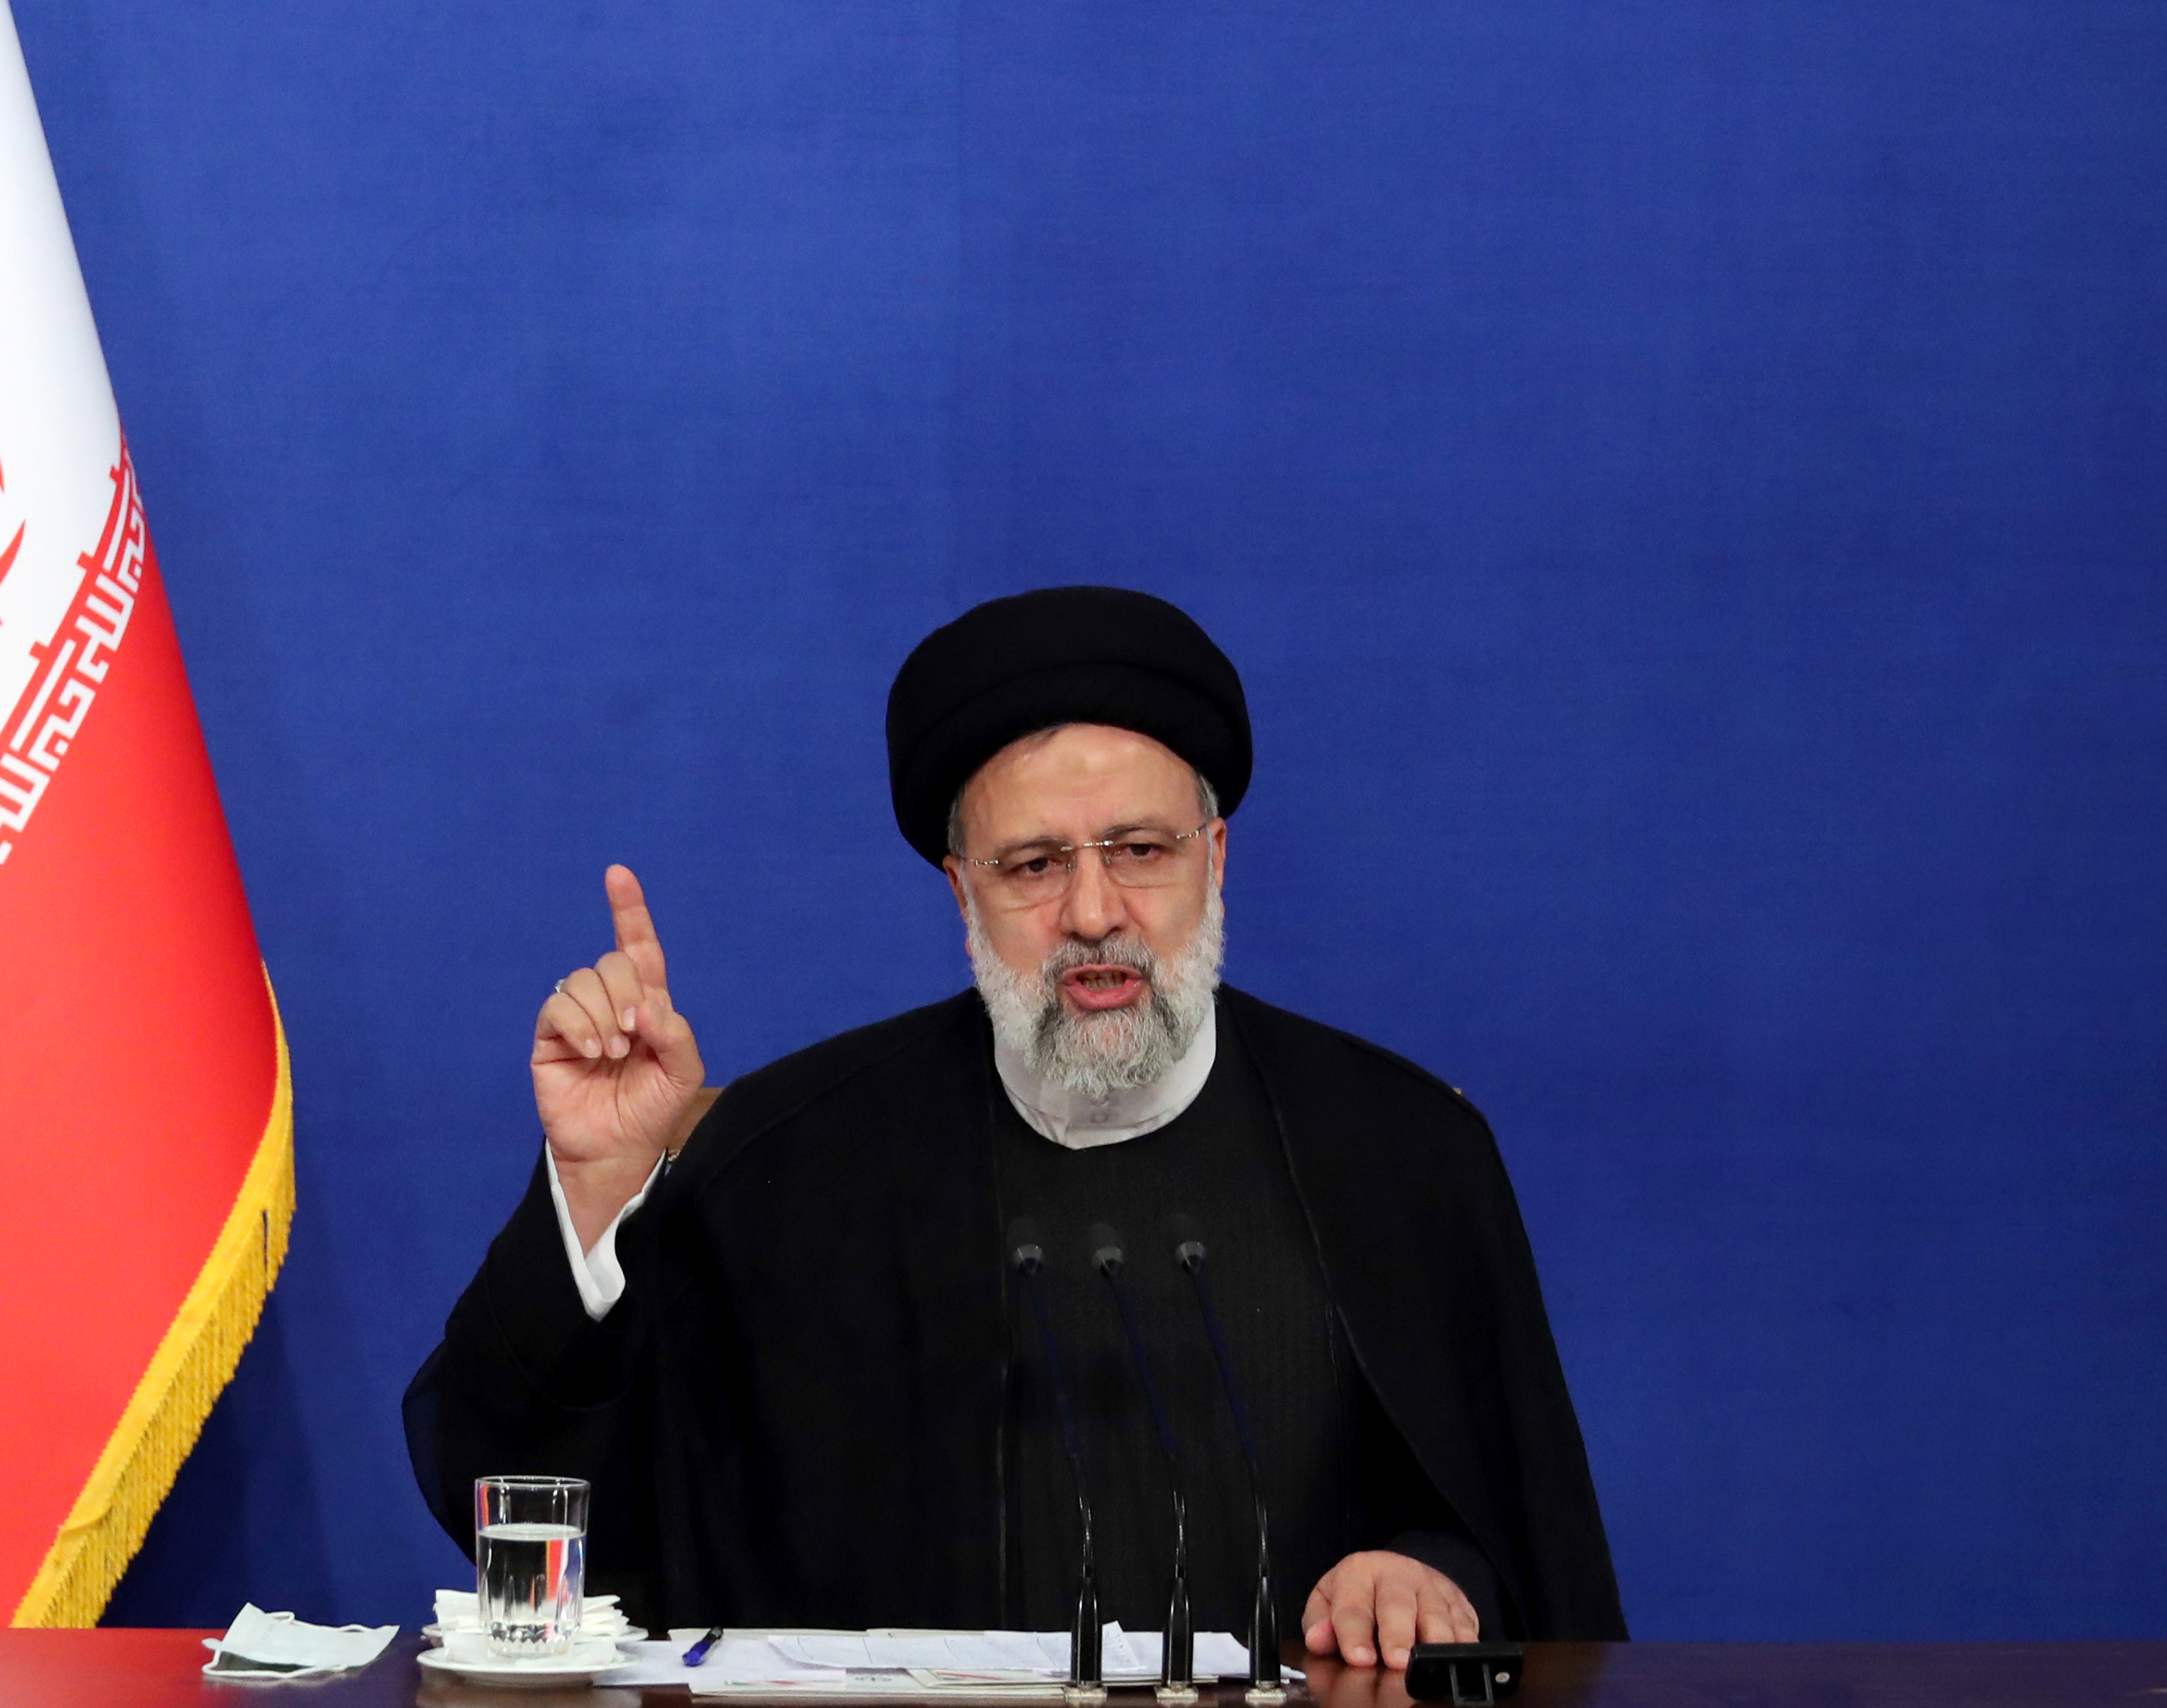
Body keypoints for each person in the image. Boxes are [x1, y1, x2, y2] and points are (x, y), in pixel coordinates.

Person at [404, 586, 1625, 1669]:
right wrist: (607, 1196)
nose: (1095, 913)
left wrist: (1435, 1577)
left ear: (1217, 855)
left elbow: (1524, 1543)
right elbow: (527, 1515)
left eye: (1140, 851)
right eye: (1034, 865)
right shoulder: (790, 1159)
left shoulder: (1403, 1151)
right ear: (961, 888)